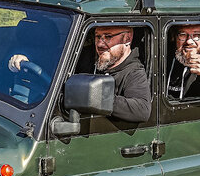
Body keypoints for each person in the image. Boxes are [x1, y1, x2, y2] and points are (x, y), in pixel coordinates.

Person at [12, 25, 151, 122]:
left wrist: (94, 97)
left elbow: (142, 109)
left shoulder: (134, 72)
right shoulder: (90, 56)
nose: (100, 44)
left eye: (108, 37)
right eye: (97, 37)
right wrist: (26, 58)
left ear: (127, 39)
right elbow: (59, 58)